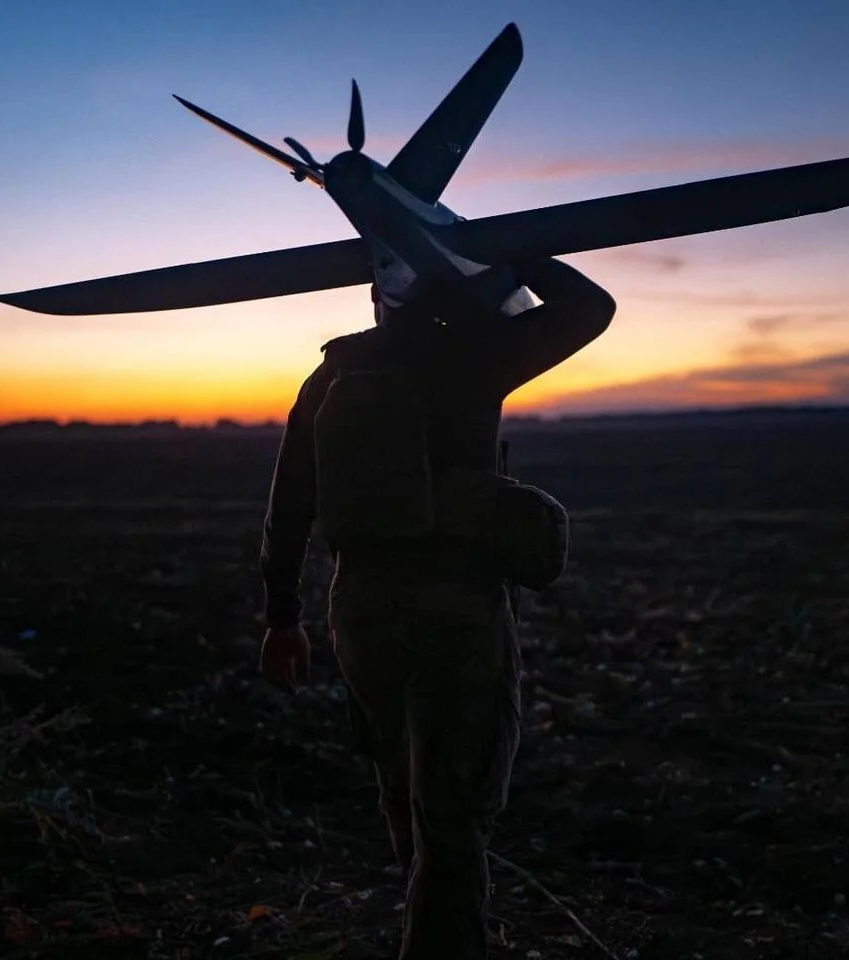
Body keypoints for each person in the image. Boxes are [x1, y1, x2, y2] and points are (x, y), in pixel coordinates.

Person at [256, 257, 615, 959]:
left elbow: (290, 502)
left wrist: (280, 617)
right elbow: (589, 308)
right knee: (456, 804)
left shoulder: (331, 375)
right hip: (454, 602)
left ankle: (452, 930)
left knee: (402, 787)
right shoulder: (474, 355)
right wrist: (518, 250)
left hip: (357, 607)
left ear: (377, 299)